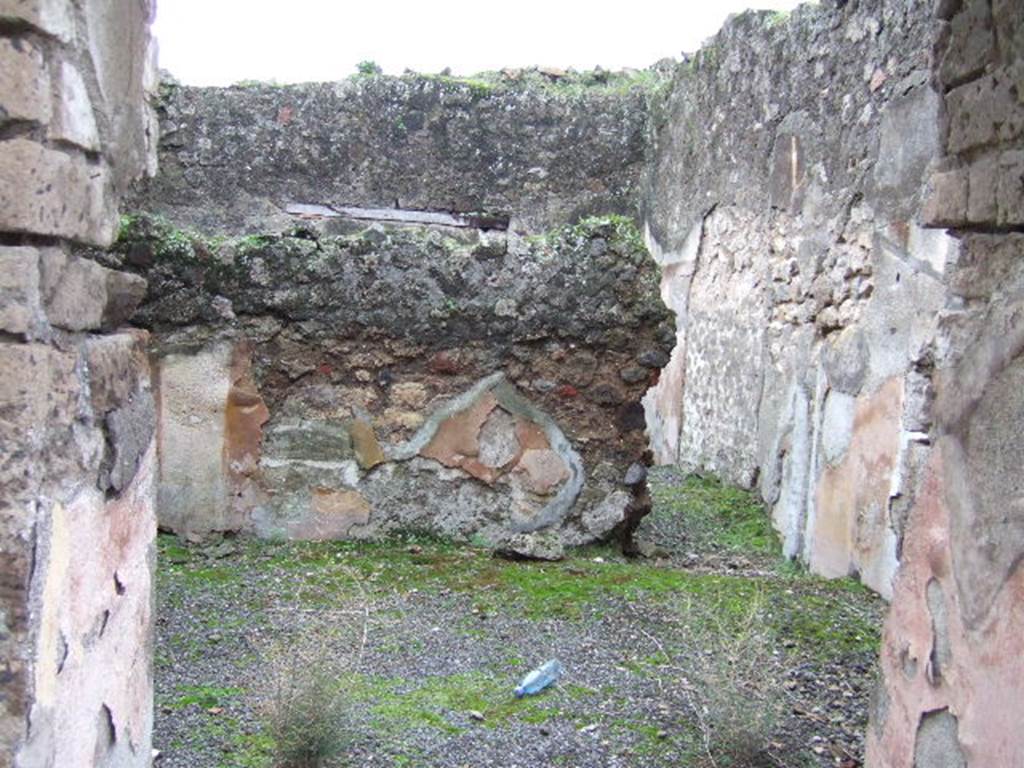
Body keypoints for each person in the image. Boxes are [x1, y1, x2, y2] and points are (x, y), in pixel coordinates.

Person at [618, 449, 653, 556]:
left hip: (638, 498)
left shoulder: (641, 468)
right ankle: (626, 543)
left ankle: (627, 542)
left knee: (643, 507)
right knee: (636, 511)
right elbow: (629, 481)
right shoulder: (637, 468)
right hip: (635, 499)